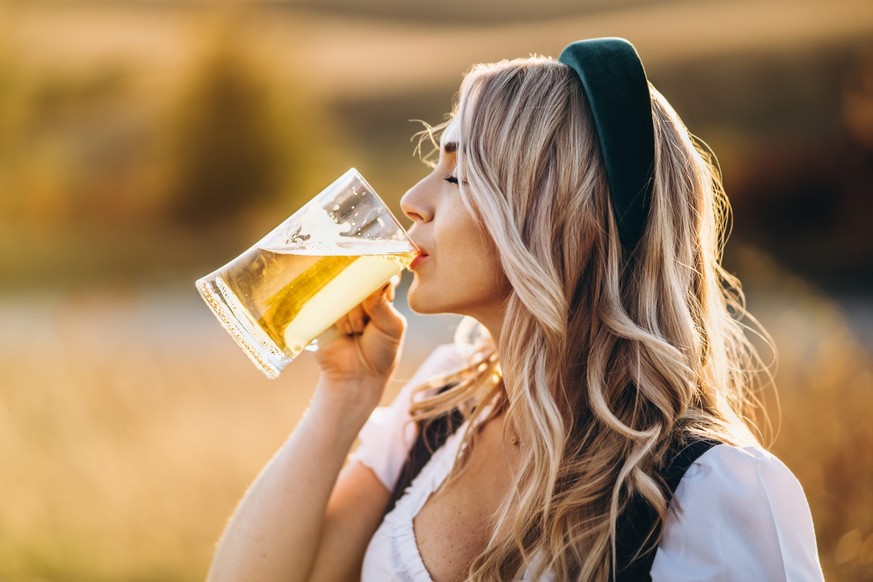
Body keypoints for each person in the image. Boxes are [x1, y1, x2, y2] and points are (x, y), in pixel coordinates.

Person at [206, 38, 824, 581]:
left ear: (554, 217)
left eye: (457, 174)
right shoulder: (437, 414)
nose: (411, 201)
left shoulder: (714, 495)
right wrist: (345, 395)